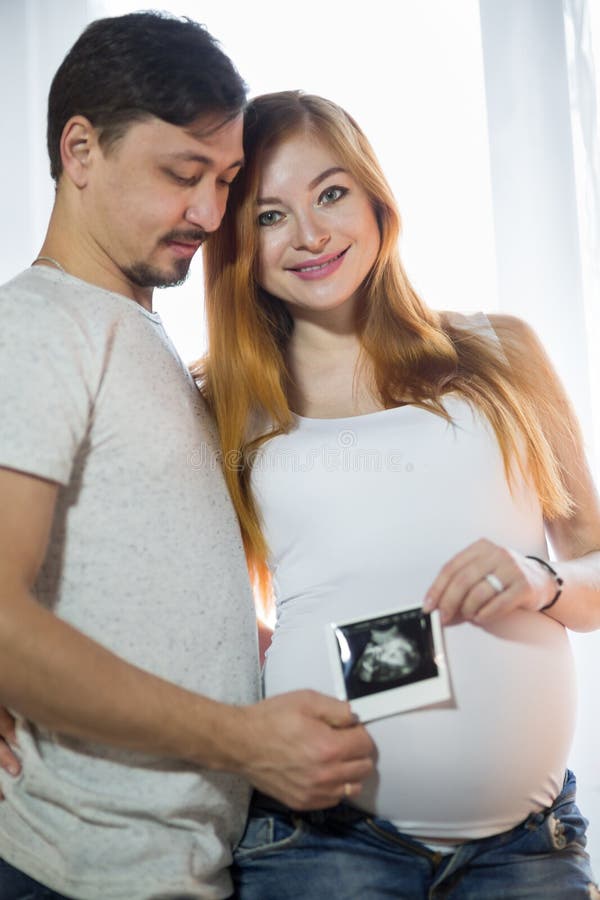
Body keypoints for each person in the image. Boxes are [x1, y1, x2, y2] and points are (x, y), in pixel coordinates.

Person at [0, 22, 374, 900]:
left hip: (181, 867)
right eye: (182, 175)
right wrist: (245, 741)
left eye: (227, 180)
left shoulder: (143, 336)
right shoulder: (39, 328)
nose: (211, 213)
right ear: (80, 149)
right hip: (71, 873)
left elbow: (135, 587)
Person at [195, 90, 600, 898]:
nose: (311, 235)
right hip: (319, 844)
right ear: (239, 241)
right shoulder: (218, 401)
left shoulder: (501, 351)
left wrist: (540, 581)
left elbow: (593, 568)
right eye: (270, 216)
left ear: (378, 200)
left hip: (528, 850)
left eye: (331, 194)